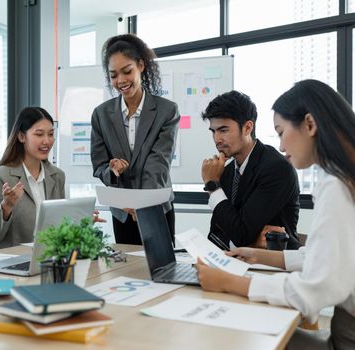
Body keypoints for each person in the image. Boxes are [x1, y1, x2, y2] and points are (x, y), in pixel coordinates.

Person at [195, 79, 355, 349]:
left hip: (347, 335)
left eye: (281, 132)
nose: (282, 146)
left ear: (310, 124)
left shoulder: (335, 186)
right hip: (346, 324)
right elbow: (329, 258)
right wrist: (259, 255)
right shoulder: (344, 178)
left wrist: (230, 283)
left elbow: (316, 289)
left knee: (237, 340)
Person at [90, 34, 179, 245]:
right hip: (122, 213)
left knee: (161, 272)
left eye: (127, 71)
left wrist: (143, 204)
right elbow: (99, 165)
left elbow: (159, 164)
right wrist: (111, 171)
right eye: (113, 75)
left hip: (156, 207)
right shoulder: (101, 115)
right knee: (126, 272)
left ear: (141, 66)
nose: (120, 80)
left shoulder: (166, 110)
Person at [200, 90, 301, 249]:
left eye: (223, 130)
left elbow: (241, 234)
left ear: (247, 128)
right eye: (213, 131)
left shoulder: (277, 168)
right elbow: (216, 236)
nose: (217, 139)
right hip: (235, 262)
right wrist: (247, 241)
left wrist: (213, 186)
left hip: (273, 266)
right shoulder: (226, 172)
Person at [0, 107, 65, 250]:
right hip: (10, 262)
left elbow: (58, 227)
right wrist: (6, 207)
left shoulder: (57, 176)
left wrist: (79, 222)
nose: (47, 141)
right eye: (39, 135)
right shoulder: (0, 176)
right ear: (21, 136)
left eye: (51, 134)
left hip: (47, 259)